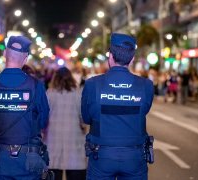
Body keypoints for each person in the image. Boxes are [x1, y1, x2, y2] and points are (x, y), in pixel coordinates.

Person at [81, 33, 154, 180]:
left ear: (110, 56)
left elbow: (86, 118)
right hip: (134, 157)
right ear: (132, 59)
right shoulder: (146, 85)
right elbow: (143, 111)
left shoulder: (92, 84)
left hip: (101, 156)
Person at [0, 36, 50, 180]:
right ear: (25, 59)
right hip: (28, 160)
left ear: (5, 53)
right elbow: (43, 121)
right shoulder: (36, 85)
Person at [44, 67, 87, 180]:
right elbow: (84, 119)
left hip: (52, 145)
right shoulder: (78, 94)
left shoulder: (49, 94)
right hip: (74, 146)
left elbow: (43, 119)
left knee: (53, 173)